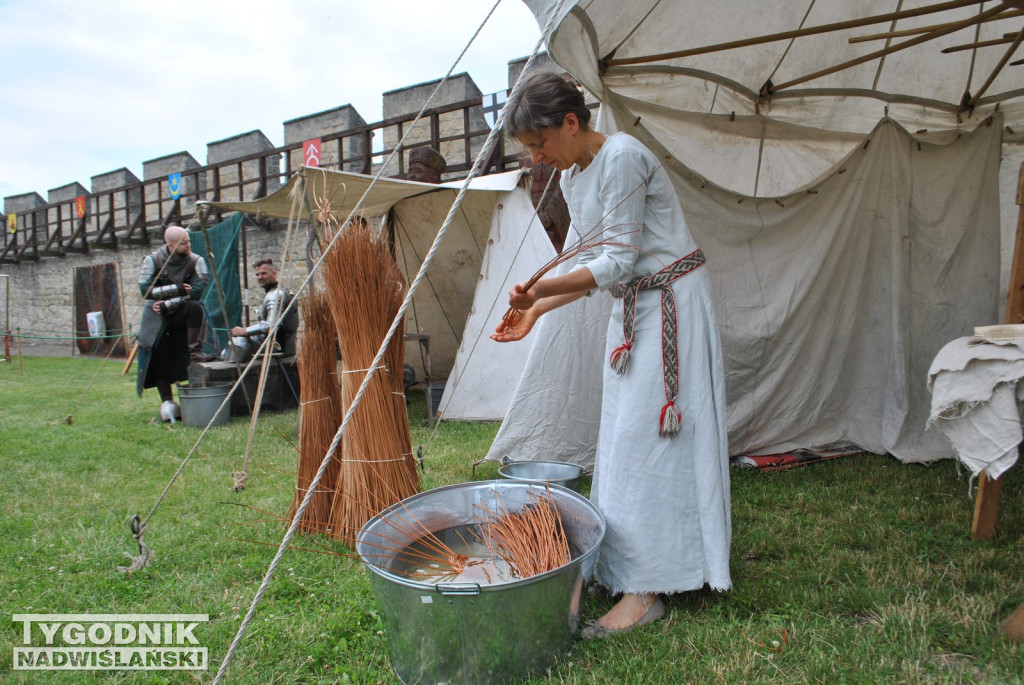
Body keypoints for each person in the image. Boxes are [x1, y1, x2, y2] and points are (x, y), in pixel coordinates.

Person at [491, 72, 731, 638]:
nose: (538, 157)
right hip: (634, 311)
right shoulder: (576, 174)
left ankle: (648, 592)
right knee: (622, 442)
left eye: (540, 143)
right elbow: (598, 267)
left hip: (671, 304)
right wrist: (537, 310)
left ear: (571, 122)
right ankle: (633, 569)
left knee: (651, 442)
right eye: (529, 150)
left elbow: (618, 263)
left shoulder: (622, 156)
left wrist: (538, 289)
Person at [136, 225, 214, 421]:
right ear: (170, 246)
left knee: (196, 306)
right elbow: (146, 291)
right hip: (156, 316)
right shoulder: (152, 260)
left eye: (188, 241)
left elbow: (196, 292)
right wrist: (177, 289)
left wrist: (167, 304)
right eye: (183, 243)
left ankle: (196, 353)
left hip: (183, 312)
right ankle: (167, 401)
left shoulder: (197, 261)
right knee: (159, 354)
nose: (188, 246)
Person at [228, 258, 297, 360]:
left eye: (263, 273)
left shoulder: (275, 295)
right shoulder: (279, 292)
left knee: (237, 343)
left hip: (277, 347)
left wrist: (244, 331)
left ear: (274, 273)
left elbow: (271, 325)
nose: (260, 277)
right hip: (278, 345)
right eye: (257, 274)